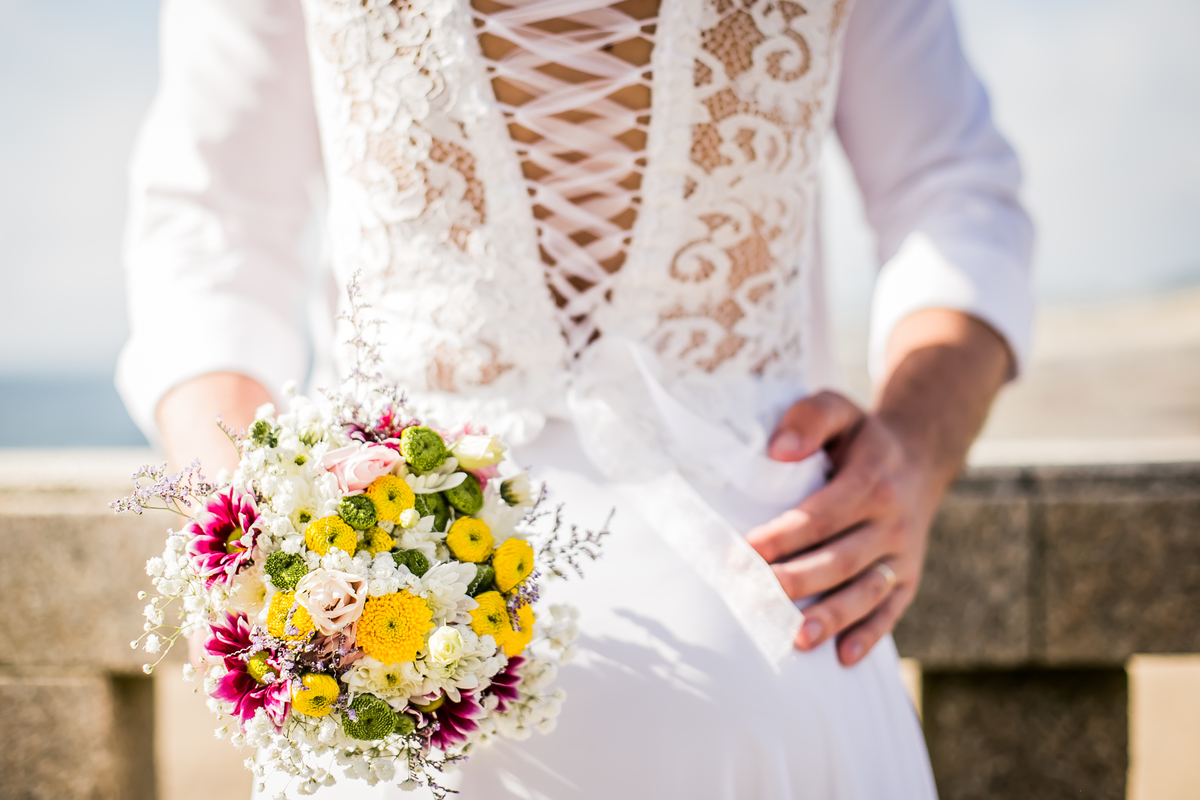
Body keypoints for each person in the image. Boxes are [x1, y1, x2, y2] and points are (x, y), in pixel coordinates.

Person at [119, 0, 1032, 796]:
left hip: (782, 627)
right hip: (372, 669)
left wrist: (916, 445)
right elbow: (206, 229)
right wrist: (249, 529)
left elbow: (952, 190)